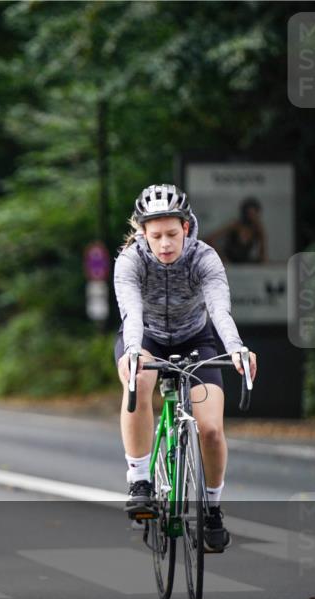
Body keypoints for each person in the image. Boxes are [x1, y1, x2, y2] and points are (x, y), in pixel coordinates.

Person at [114, 184, 258, 554]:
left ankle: (211, 508)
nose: (164, 244)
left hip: (198, 339)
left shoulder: (204, 258)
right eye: (156, 235)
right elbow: (131, 313)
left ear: (187, 228)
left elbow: (220, 310)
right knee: (139, 380)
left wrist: (237, 348)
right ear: (143, 233)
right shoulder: (131, 261)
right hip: (146, 338)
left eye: (172, 235)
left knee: (210, 430)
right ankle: (140, 480)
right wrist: (132, 352)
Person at [205, 196, 267, 264]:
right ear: (245, 213)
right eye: (250, 214)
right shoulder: (236, 225)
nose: (252, 217)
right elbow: (209, 239)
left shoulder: (257, 229)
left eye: (254, 214)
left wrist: (262, 235)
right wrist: (222, 258)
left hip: (244, 262)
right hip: (230, 261)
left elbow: (262, 256)